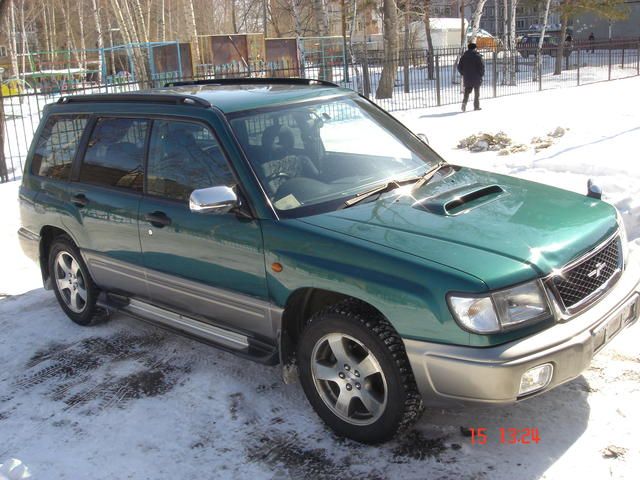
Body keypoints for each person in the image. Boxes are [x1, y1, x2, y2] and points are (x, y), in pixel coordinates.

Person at [457, 42, 485, 112]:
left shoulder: (464, 56)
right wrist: (481, 74)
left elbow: (459, 67)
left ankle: (464, 103)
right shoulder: (477, 56)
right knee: (477, 93)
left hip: (467, 77)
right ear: (474, 48)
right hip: (476, 77)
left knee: (467, 92)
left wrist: (463, 73)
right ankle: (476, 106)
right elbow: (481, 67)